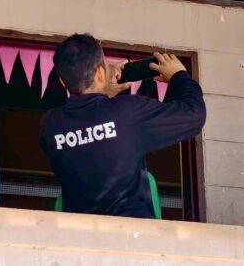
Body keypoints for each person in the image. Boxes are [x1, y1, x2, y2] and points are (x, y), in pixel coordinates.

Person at [40, 34, 206, 218]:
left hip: (82, 233)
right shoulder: (128, 112)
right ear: (100, 74)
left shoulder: (50, 125)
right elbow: (194, 115)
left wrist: (102, 94)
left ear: (63, 81)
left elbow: (89, 130)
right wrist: (179, 75)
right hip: (132, 232)